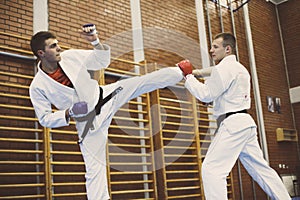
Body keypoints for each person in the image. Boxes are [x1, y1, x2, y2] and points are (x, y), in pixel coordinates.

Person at [29, 24, 187, 200]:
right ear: (41, 53)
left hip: (106, 96)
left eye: (57, 44)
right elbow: (44, 118)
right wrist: (68, 113)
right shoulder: (37, 86)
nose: (59, 48)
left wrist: (95, 41)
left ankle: (180, 72)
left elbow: (101, 60)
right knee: (94, 170)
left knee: (141, 82)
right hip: (88, 124)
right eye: (53, 46)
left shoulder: (70, 56)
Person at [177, 33, 291, 200]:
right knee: (261, 169)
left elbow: (206, 94)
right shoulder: (239, 68)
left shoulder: (224, 69)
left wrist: (188, 76)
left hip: (233, 124)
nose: (211, 50)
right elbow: (224, 93)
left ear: (228, 49)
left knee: (212, 169)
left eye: (215, 47)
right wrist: (202, 82)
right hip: (245, 123)